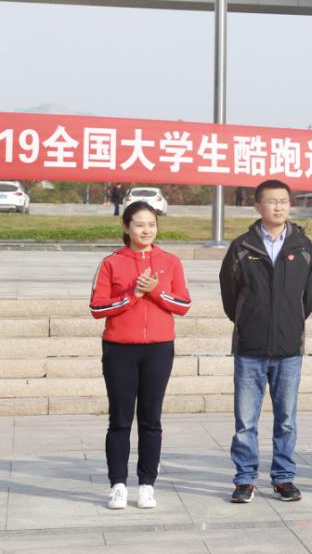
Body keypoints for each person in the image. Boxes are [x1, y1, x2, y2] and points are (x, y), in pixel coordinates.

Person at [220, 179, 312, 504]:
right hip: (249, 347)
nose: (278, 206)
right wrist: (247, 319)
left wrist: (291, 320)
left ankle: (283, 478)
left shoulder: (302, 245)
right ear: (258, 206)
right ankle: (244, 479)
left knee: (287, 420)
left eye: (283, 201)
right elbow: (229, 293)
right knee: (245, 422)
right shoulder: (242, 246)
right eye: (271, 201)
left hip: (288, 348)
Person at [89, 201, 192, 510]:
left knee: (151, 419)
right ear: (126, 227)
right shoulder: (111, 262)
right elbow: (97, 307)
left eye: (151, 224)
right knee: (120, 419)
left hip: (159, 349)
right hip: (119, 349)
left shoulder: (170, 261)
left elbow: (183, 305)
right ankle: (118, 485)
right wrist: (132, 295)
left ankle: (147, 485)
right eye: (139, 224)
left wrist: (156, 291)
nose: (146, 230)